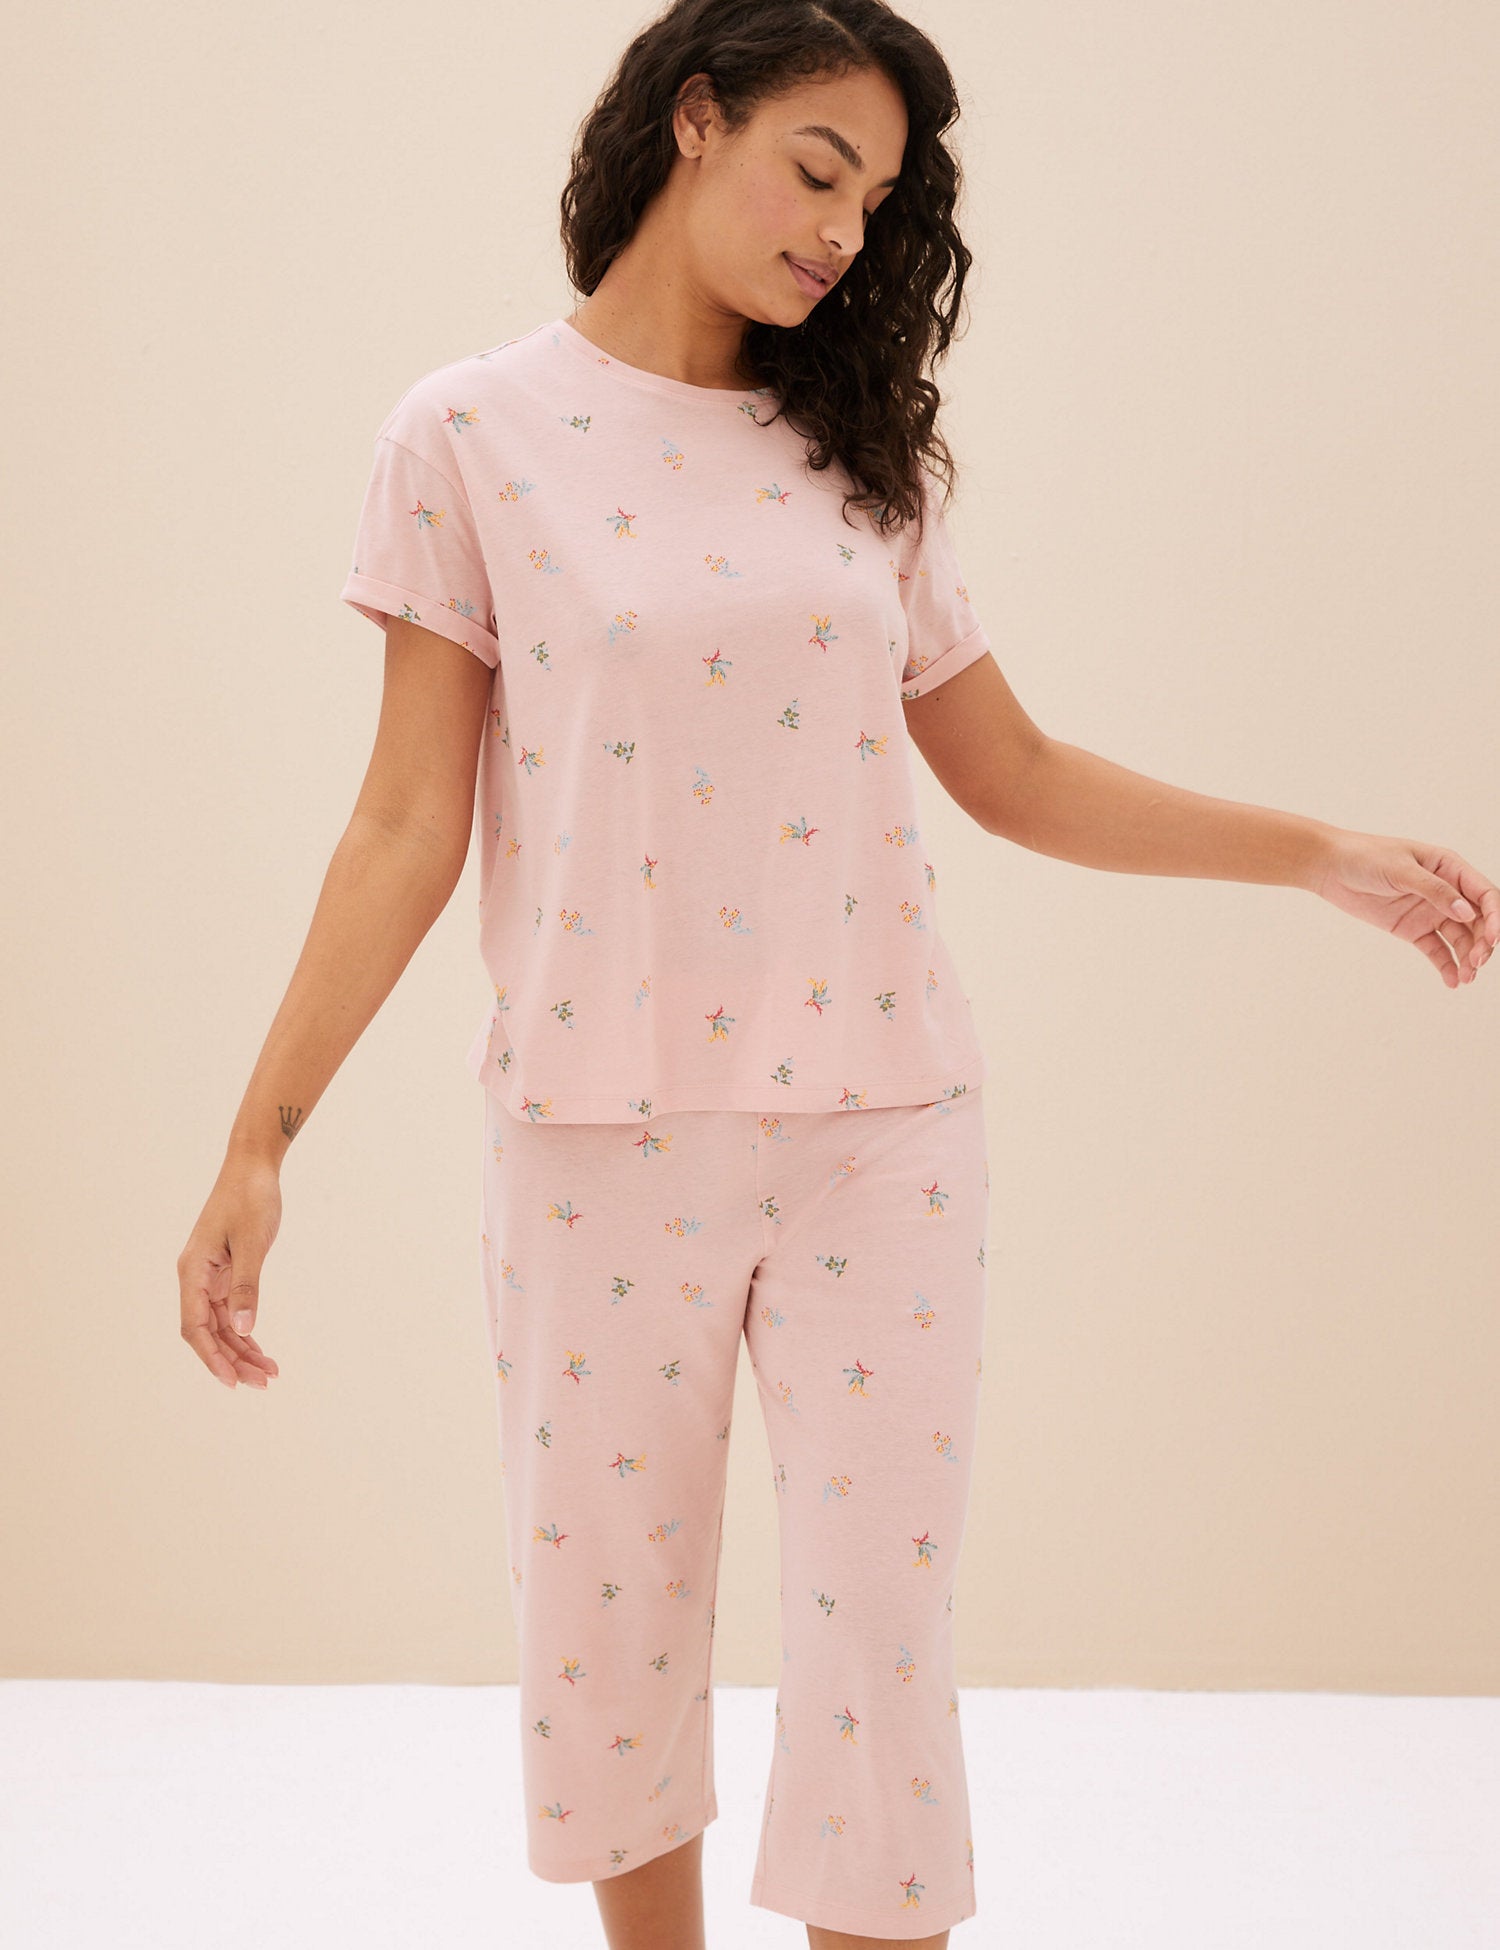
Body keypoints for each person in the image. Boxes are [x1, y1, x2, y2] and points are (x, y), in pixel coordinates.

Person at [176, 1, 1499, 1946]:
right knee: (609, 1610)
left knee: (882, 1633)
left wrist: (1321, 856)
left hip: (886, 1127)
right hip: (595, 1130)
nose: (842, 232)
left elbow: (1012, 769)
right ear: (693, 120)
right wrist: (261, 1135)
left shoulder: (862, 460)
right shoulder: (466, 436)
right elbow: (402, 822)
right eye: (819, 170)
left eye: (876, 203)